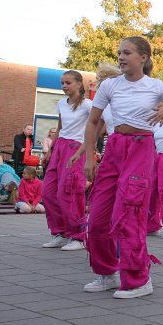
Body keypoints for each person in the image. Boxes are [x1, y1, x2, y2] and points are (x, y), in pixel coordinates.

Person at [71, 36, 163, 299]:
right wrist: (88, 158)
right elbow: (93, 122)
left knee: (129, 214)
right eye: (119, 53)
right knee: (96, 218)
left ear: (143, 57)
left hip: (141, 148)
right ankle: (107, 272)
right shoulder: (110, 85)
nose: (120, 57)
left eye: (126, 53)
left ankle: (139, 280)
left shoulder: (155, 86)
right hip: (114, 149)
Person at [41, 70, 92, 251]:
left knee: (69, 192)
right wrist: (50, 150)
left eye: (68, 83)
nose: (64, 86)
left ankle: (78, 236)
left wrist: (85, 149)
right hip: (60, 148)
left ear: (79, 84)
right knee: (47, 192)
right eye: (62, 83)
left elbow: (97, 127)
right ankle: (61, 232)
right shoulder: (62, 103)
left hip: (76, 149)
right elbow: (60, 127)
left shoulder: (88, 105)